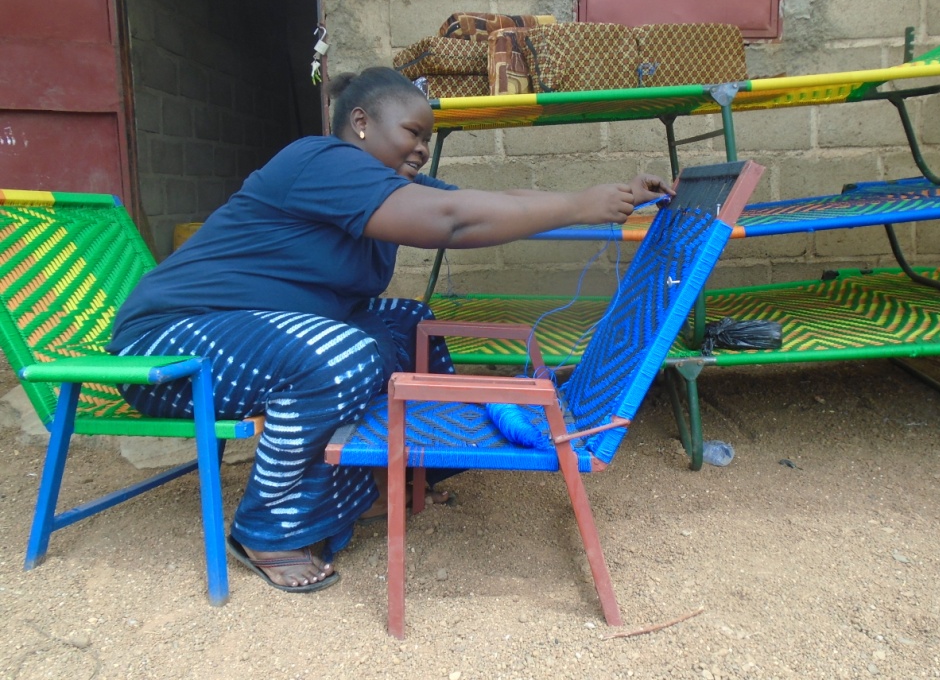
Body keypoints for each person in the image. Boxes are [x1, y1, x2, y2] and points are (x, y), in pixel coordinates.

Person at [108, 66, 673, 593]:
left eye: (427, 137)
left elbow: (493, 202)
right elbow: (451, 220)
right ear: (360, 123)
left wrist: (613, 196)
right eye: (412, 131)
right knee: (341, 355)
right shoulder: (319, 161)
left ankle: (398, 474)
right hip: (170, 346)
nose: (422, 148)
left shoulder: (381, 189)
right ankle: (268, 527)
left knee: (409, 323)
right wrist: (578, 206)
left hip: (244, 339)